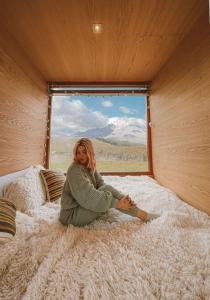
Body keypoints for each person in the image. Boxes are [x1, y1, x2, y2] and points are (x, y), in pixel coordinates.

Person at [59, 138, 159, 227]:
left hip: (83, 206)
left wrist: (122, 199)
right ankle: (142, 215)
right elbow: (89, 197)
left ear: (90, 152)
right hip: (71, 214)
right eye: (78, 152)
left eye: (84, 152)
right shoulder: (74, 170)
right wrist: (117, 203)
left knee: (107, 189)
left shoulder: (89, 167)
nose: (81, 156)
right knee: (106, 195)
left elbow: (102, 185)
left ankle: (134, 208)